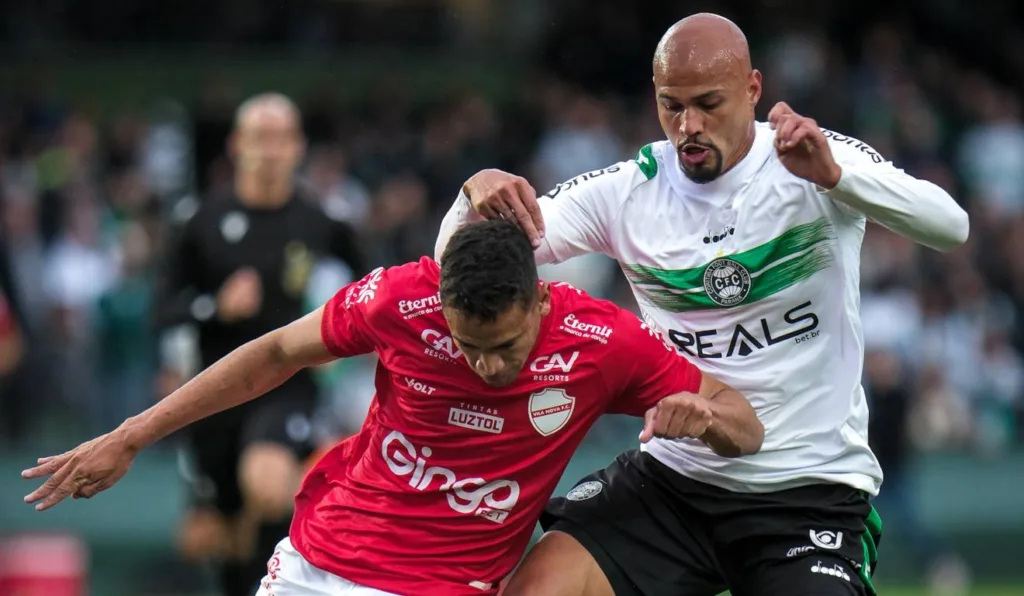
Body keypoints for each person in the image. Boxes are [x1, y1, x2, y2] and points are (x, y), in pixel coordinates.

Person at [436, 13, 970, 596]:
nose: (688, 125)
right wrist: (472, 195)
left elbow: (951, 226)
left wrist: (838, 177)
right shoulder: (628, 191)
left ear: (753, 89)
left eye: (708, 104)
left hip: (806, 489)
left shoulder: (811, 160)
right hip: (672, 482)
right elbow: (460, 262)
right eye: (671, 106)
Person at [23, 220, 763, 596]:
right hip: (317, 563)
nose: (486, 365)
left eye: (504, 346)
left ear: (540, 299)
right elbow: (276, 353)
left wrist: (707, 419)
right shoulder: (402, 298)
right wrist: (131, 435)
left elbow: (745, 424)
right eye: (468, 345)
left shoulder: (604, 343)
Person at [154, 92, 366, 595]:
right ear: (236, 145)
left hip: (288, 384)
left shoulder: (323, 222)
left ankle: (327, 462)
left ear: (298, 147)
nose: (271, 150)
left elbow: (375, 288)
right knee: (219, 543)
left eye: (281, 139)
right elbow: (162, 311)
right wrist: (216, 306)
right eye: (259, 138)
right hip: (215, 390)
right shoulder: (199, 220)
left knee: (269, 483)